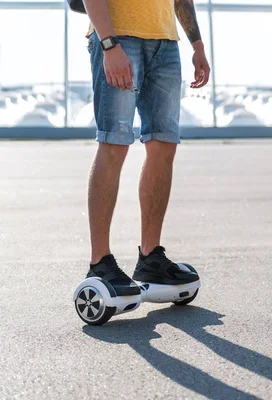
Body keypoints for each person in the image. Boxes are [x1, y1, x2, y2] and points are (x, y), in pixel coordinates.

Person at [82, 0, 210, 294]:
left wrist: (197, 45)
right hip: (118, 37)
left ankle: (150, 257)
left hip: (165, 42)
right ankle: (100, 262)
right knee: (114, 144)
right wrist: (108, 43)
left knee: (164, 147)